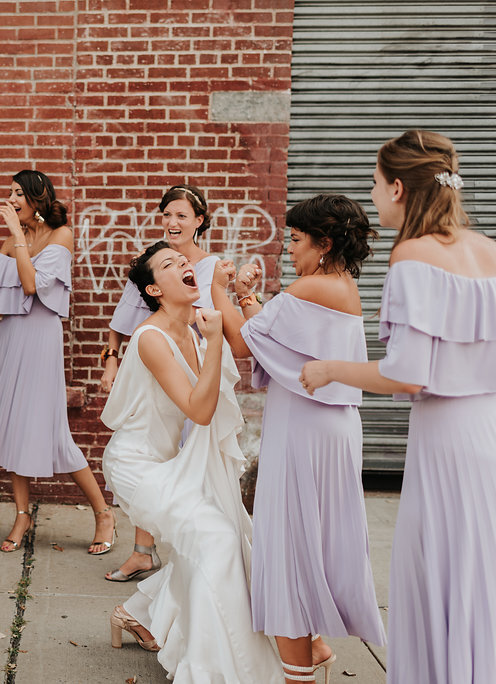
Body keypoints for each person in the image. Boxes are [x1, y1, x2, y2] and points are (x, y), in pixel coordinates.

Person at [300, 130, 496, 684]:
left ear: (398, 188)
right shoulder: (489, 250)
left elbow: (410, 375)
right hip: (488, 432)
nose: (371, 192)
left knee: (435, 572)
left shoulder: (412, 255)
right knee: (477, 576)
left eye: (374, 181)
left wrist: (330, 368)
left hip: (446, 441)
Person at [211, 193, 385, 683]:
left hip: (307, 430)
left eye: (295, 239)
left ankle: (298, 674)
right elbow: (278, 335)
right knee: (311, 536)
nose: (289, 248)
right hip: (327, 426)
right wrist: (249, 298)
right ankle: (313, 645)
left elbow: (246, 342)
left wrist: (220, 288)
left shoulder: (311, 287)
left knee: (288, 541)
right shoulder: (336, 283)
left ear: (324, 244)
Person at [102, 241, 281, 682]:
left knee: (217, 537)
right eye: (169, 264)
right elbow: (199, 410)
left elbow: (236, 355)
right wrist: (216, 338)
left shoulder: (195, 332)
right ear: (154, 289)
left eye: (183, 260)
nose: (184, 264)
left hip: (173, 462)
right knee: (216, 540)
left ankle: (134, 612)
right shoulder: (150, 338)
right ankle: (209, 670)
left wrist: (230, 293)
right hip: (137, 464)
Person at [0, 170, 115, 554]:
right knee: (14, 426)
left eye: (17, 194)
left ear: (37, 198)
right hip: (10, 338)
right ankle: (22, 514)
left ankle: (103, 513)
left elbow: (32, 286)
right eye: (9, 193)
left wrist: (17, 237)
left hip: (41, 340)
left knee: (53, 431)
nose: (11, 199)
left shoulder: (60, 235)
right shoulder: (13, 240)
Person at [101, 184, 219, 582]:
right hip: (160, 376)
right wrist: (112, 361)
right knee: (162, 462)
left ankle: (147, 592)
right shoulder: (154, 266)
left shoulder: (210, 269)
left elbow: (231, 334)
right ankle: (143, 561)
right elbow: (123, 318)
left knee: (204, 522)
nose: (172, 222)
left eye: (181, 215)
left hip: (196, 376)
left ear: (199, 221)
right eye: (166, 214)